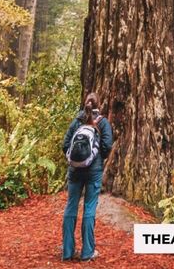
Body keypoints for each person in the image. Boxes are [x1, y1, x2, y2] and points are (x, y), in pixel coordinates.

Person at [62, 92, 113, 261]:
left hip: (75, 171)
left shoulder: (77, 121)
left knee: (71, 207)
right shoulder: (103, 123)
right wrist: (96, 158)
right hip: (93, 171)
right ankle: (87, 252)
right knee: (89, 209)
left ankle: (67, 251)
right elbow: (107, 146)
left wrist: (74, 159)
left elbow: (65, 144)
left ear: (85, 104)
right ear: (99, 105)